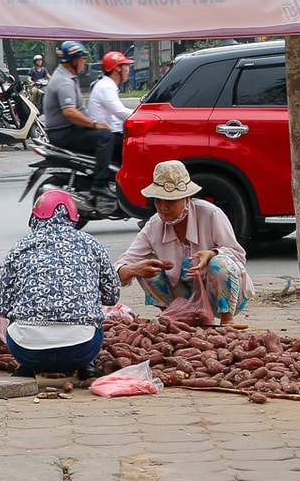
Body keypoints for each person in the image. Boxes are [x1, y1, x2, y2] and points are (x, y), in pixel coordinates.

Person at [0, 190, 122, 376]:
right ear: (73, 218)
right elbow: (112, 297)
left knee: (15, 318)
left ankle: (26, 368)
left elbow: (2, 306)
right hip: (81, 350)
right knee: (94, 320)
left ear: (34, 218)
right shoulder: (92, 245)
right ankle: (86, 367)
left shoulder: (19, 248)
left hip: (27, 352)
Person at [117, 160, 254, 326]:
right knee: (144, 264)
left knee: (220, 263)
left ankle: (227, 321)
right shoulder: (154, 225)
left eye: (170, 201)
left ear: (186, 198)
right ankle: (174, 317)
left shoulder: (210, 214)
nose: (163, 207)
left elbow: (237, 254)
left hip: (221, 295)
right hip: (182, 294)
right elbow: (123, 264)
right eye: (158, 201)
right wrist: (132, 269)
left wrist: (211, 254)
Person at [41, 41, 119, 194]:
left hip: (69, 129)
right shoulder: (64, 81)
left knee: (116, 138)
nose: (85, 62)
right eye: (83, 58)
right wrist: (94, 124)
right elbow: (70, 112)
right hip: (62, 133)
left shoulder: (69, 76)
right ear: (74, 60)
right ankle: (100, 183)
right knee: (105, 137)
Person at [84, 50, 136, 201]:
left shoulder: (109, 86)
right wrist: (143, 116)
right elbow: (120, 112)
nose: (128, 69)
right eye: (125, 66)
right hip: (106, 136)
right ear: (116, 69)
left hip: (111, 132)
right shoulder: (106, 87)